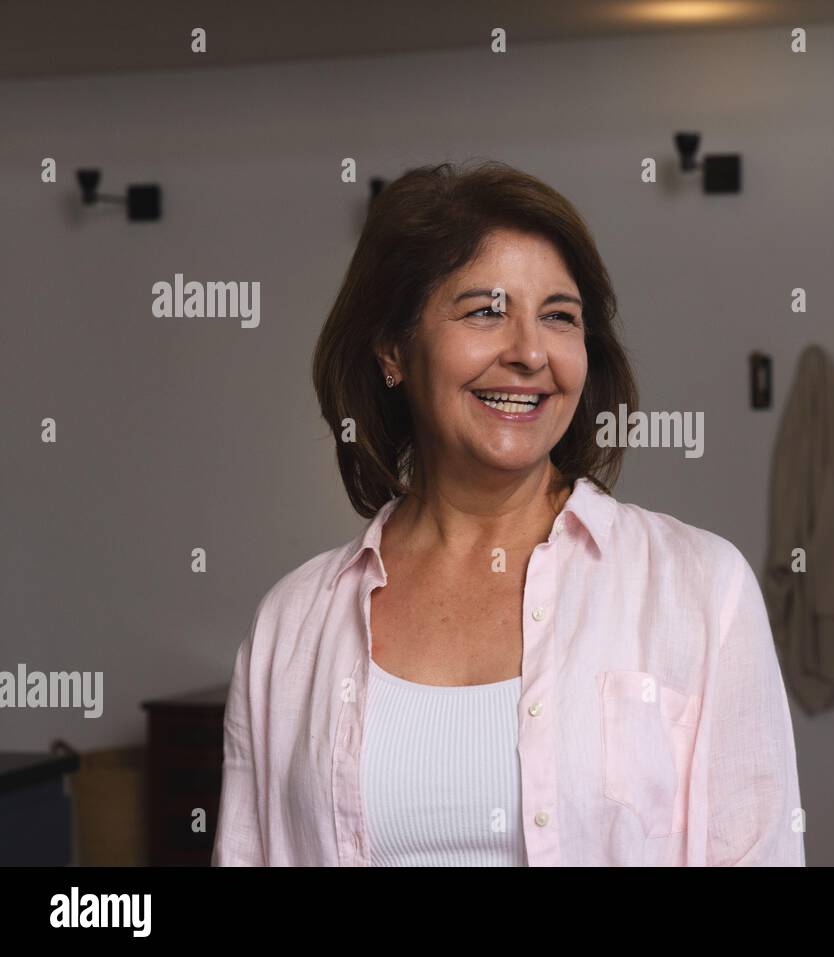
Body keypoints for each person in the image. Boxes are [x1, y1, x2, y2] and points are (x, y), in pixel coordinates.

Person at [211, 160, 804, 866]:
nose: (528, 352)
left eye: (559, 316)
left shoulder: (702, 589)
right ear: (394, 349)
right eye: (486, 310)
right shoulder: (292, 624)